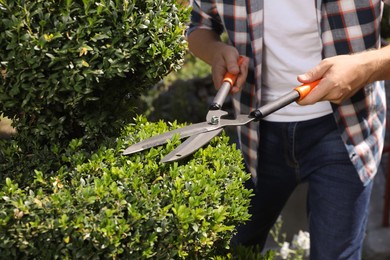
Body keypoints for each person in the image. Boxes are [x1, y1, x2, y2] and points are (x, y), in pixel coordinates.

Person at [187, 0, 390, 259]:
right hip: (255, 135)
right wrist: (215, 52)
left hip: (346, 131)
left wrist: (364, 68)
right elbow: (198, 25)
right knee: (226, 248)